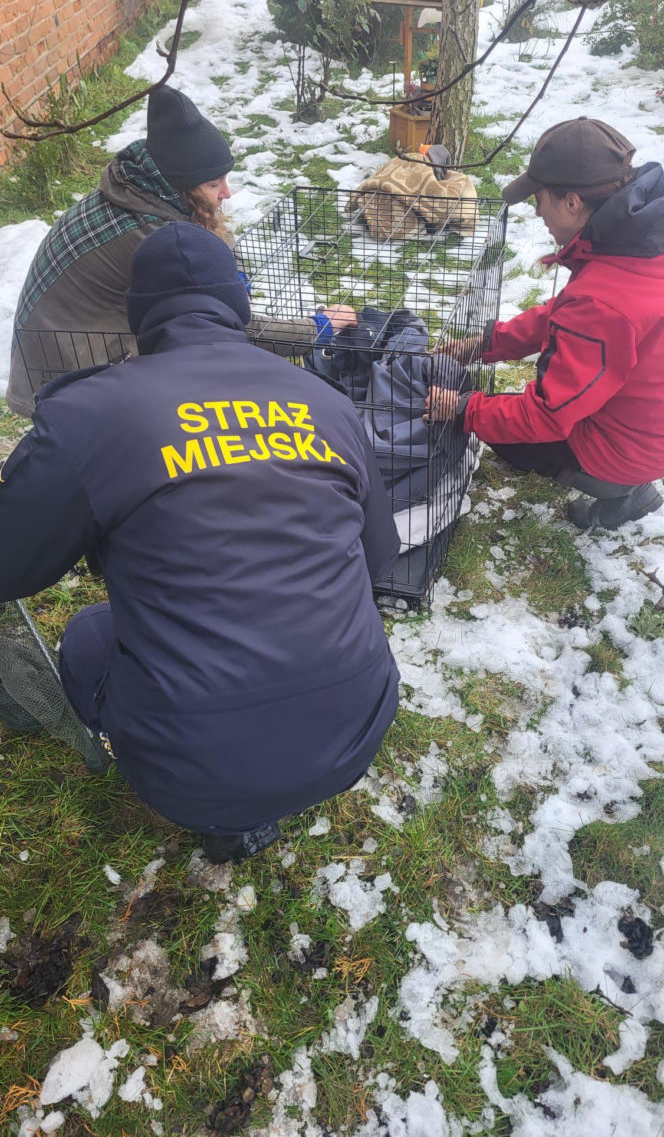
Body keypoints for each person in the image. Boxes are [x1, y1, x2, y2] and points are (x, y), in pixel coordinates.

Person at [0, 222, 400, 863]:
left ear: (138, 315)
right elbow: (380, 558)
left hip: (192, 767)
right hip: (357, 725)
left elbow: (8, 565)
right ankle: (253, 791)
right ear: (238, 304)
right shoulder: (325, 402)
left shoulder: (89, 414)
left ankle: (226, 809)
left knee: (88, 636)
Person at [7, 84, 355, 418]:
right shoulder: (153, 236)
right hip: (63, 373)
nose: (227, 193)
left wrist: (225, 273)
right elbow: (225, 322)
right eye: (213, 183)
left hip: (56, 346)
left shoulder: (137, 188)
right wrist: (319, 327)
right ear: (182, 186)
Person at [425, 117, 664, 529]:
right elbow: (569, 314)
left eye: (540, 200)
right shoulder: (637, 240)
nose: (537, 212)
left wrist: (464, 408)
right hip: (650, 418)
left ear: (572, 201)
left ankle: (624, 488)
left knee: (510, 436)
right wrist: (486, 343)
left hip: (635, 447)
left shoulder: (602, 300)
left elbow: (547, 414)